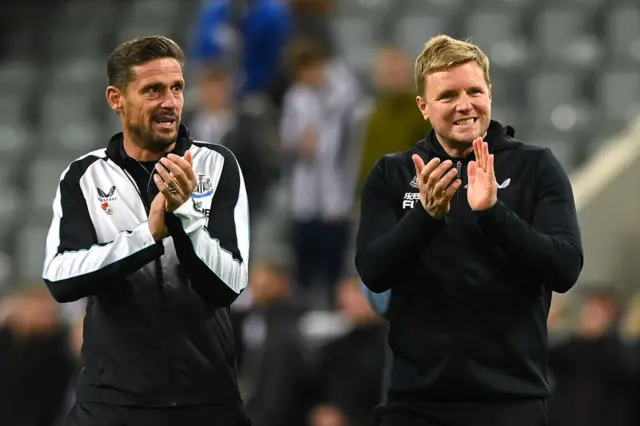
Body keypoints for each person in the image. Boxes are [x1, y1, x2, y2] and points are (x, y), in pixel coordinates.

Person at [355, 35, 584, 426]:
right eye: (447, 96)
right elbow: (373, 272)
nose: (465, 105)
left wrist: (494, 214)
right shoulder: (393, 173)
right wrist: (425, 216)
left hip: (512, 402)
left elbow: (565, 268)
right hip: (415, 404)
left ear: (490, 93)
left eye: (474, 90)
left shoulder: (536, 167)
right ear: (423, 108)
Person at [41, 36, 251, 426]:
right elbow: (60, 277)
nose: (170, 102)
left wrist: (184, 216)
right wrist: (146, 236)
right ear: (115, 98)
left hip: (206, 399)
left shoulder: (217, 164)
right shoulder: (84, 176)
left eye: (177, 88)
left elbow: (229, 284)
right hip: (111, 403)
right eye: (153, 90)